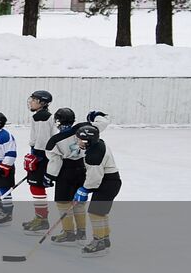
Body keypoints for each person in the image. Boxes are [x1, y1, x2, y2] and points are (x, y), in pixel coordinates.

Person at [74, 121, 121, 256]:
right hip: (110, 181)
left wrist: (84, 189)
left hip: (107, 183)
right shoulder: (98, 144)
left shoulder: (94, 155)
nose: (78, 142)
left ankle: (99, 241)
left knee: (95, 213)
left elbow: (94, 178)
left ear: (87, 141)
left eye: (80, 140)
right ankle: (104, 239)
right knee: (100, 212)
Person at [44, 107, 85, 244]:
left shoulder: (55, 140)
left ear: (58, 121)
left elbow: (55, 160)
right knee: (78, 203)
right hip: (82, 169)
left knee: (63, 203)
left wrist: (49, 176)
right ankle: (81, 233)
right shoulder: (82, 130)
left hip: (66, 172)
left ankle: (68, 233)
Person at [20, 90, 55, 232]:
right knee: (35, 186)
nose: (31, 102)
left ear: (42, 103)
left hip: (42, 155)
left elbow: (43, 140)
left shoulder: (42, 117)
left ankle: (42, 219)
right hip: (40, 154)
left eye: (34, 100)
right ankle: (40, 217)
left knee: (37, 187)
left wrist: (37, 157)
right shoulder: (41, 115)